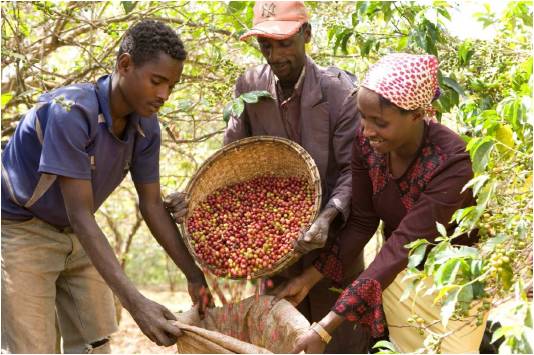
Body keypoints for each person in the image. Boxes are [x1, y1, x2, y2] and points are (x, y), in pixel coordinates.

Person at [165, 1, 370, 353]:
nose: (275, 55)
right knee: (280, 339)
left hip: (333, 246)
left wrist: (328, 215)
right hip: (274, 255)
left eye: (285, 43)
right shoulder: (249, 85)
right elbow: (231, 161)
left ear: (306, 34)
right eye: (266, 45)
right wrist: (197, 204)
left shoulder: (340, 92)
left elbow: (355, 170)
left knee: (340, 340)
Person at [1, 20, 213, 354]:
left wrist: (194, 275)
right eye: (157, 81)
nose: (164, 95)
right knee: (33, 347)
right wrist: (136, 304)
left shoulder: (146, 126)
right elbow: (82, 214)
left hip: (76, 231)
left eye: (171, 85)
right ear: (124, 64)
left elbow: (153, 205)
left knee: (94, 344)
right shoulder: (71, 112)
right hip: (21, 230)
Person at [274, 53, 488, 353]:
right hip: (398, 281)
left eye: (379, 122)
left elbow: (403, 245)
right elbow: (362, 222)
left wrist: (325, 328)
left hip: (454, 287)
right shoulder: (367, 145)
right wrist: (308, 280)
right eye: (363, 116)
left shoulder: (452, 162)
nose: (366, 129)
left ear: (416, 114)